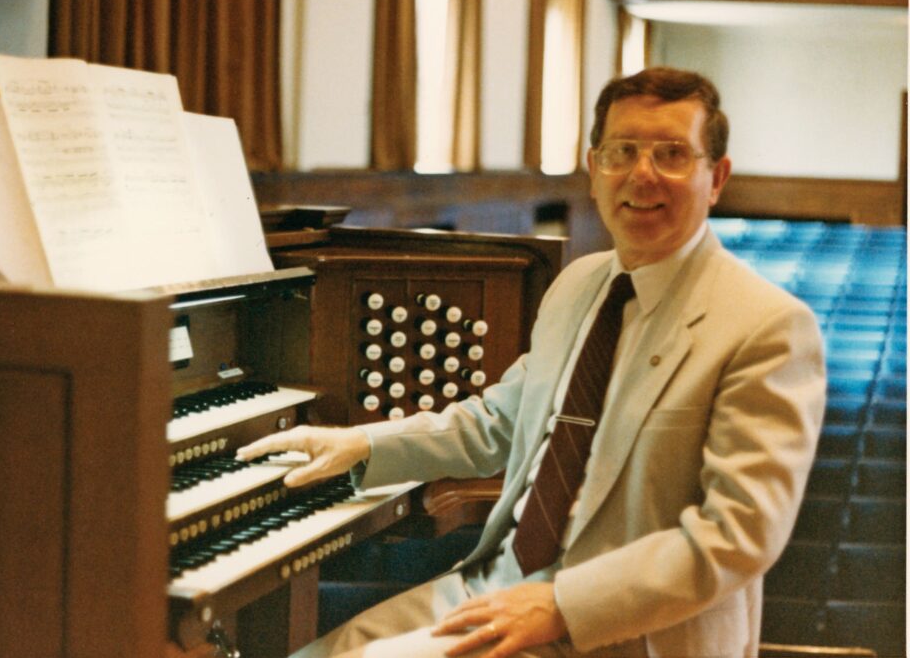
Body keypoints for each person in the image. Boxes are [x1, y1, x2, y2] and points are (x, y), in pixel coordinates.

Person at [237, 67, 826, 658]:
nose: (642, 174)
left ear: (716, 177)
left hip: (623, 631)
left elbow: (738, 536)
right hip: (496, 588)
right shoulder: (579, 284)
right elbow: (498, 421)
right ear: (595, 170)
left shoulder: (767, 326)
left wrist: (562, 605)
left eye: (672, 154)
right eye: (623, 152)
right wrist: (363, 444)